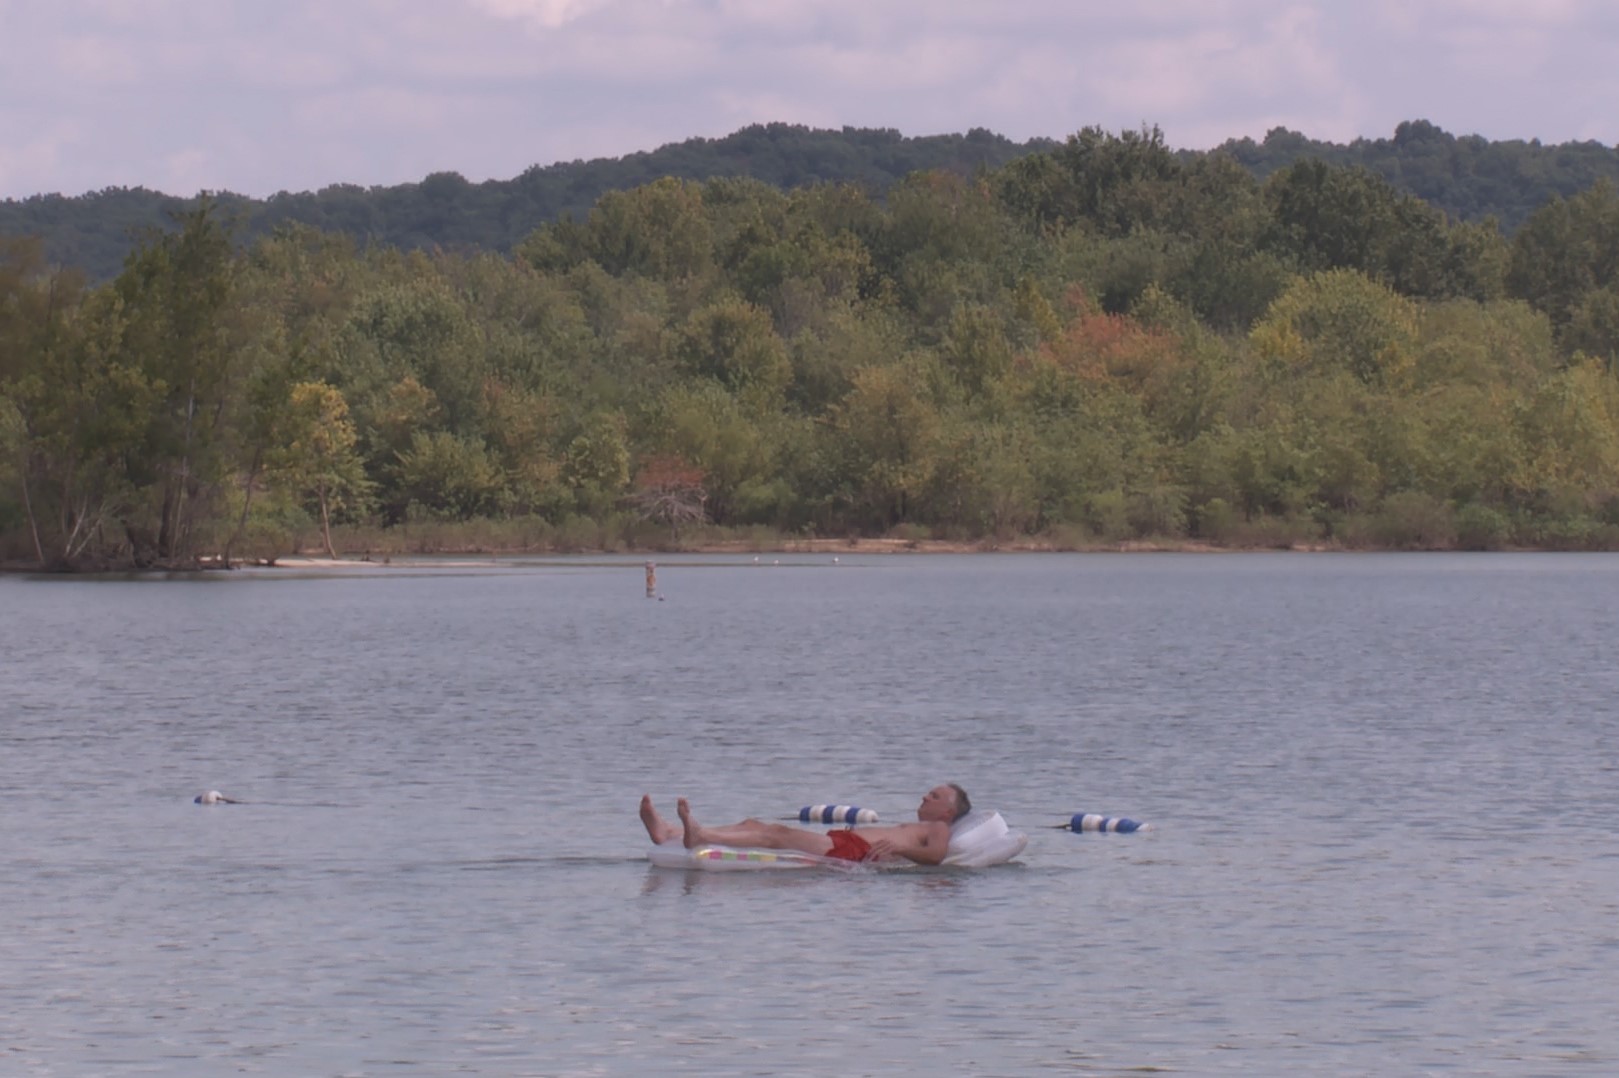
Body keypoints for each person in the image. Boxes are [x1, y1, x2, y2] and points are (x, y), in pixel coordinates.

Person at [639, 784, 971, 865]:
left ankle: (698, 834)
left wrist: (900, 848)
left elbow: (938, 855)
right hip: (843, 842)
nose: (926, 797)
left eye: (935, 797)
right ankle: (670, 832)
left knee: (777, 834)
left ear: (947, 813)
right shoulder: (917, 825)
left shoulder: (939, 829)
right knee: (755, 824)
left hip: (853, 852)